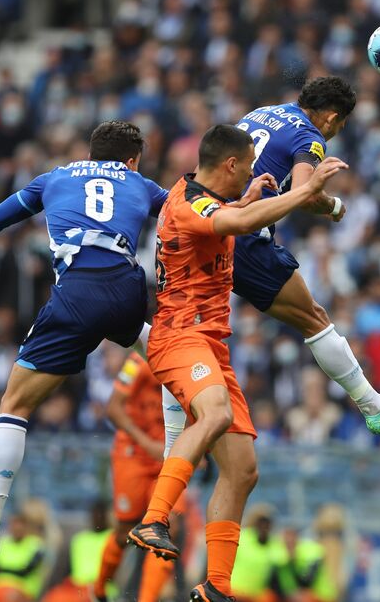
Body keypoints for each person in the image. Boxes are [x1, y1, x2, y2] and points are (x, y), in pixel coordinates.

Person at [127, 125, 346, 602]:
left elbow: (230, 218)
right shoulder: (188, 203)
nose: (252, 172)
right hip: (180, 337)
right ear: (230, 164)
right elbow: (236, 224)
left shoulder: (206, 198)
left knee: (243, 470)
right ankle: (154, 519)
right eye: (247, 167)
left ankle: (216, 586)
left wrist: (247, 200)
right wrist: (305, 191)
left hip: (209, 345)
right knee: (216, 415)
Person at [0, 121, 168, 558]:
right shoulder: (141, 183)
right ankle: (190, 414)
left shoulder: (55, 178)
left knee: (14, 404)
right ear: (132, 160)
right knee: (152, 344)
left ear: (91, 153)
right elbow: (188, 215)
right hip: (128, 289)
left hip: (78, 292)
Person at [231, 77, 380, 435]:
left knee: (187, 332)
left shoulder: (260, 112)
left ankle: (171, 446)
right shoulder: (310, 135)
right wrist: (333, 206)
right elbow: (306, 193)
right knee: (314, 318)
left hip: (208, 220)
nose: (337, 132)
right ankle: (374, 406)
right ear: (332, 117)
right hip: (245, 237)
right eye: (341, 125)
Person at [94, 352, 183, 602]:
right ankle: (99, 590)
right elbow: (113, 408)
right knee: (125, 531)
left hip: (166, 458)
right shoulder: (138, 361)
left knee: (166, 528)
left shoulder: (187, 359)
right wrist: (146, 443)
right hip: (132, 454)